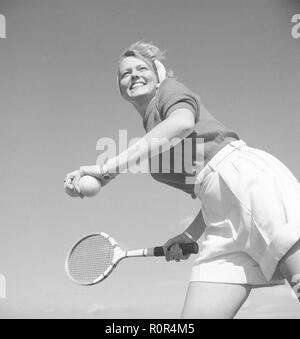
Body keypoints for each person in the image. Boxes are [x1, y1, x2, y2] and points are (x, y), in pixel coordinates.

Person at [64, 41, 300, 318]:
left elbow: (182, 124)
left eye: (142, 68)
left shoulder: (169, 91)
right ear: (120, 88)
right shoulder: (152, 131)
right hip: (220, 214)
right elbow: (213, 191)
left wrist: (108, 170)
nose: (134, 75)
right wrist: (189, 235)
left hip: (248, 180)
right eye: (125, 73)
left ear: (158, 75)